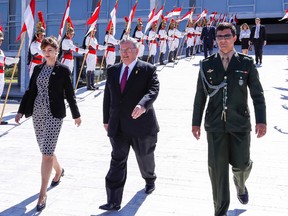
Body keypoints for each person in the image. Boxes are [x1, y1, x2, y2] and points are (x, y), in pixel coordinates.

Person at [191, 22, 266, 216]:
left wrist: (261, 120)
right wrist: (195, 122)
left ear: (235, 38)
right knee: (217, 170)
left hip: (240, 123)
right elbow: (200, 96)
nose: (222, 40)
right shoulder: (207, 64)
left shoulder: (246, 63)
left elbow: (257, 95)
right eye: (219, 37)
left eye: (226, 36)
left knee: (241, 164)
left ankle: (240, 184)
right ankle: (220, 210)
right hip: (215, 124)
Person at [15, 36, 81, 212]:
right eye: (44, 50)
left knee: (46, 154)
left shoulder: (63, 70)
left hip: (54, 114)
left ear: (56, 51)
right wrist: (21, 111)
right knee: (46, 150)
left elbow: (70, 94)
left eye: (50, 50)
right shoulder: (37, 69)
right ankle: (59, 171)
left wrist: (76, 114)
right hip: (37, 113)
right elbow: (31, 91)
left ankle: (42, 193)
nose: (47, 53)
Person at [100, 38, 160, 211]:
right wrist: (106, 119)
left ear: (136, 50)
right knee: (117, 161)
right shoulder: (112, 70)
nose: (124, 53)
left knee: (145, 157)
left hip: (141, 125)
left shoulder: (147, 69)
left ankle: (150, 179)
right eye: (122, 49)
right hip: (118, 126)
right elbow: (108, 97)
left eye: (128, 49)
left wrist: (143, 105)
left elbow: (153, 90)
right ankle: (113, 201)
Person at [0, 26, 19, 124]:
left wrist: (12, 61)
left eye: (1, 40)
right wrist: (13, 60)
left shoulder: (1, 51)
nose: (0, 42)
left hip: (1, 74)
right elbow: (3, 60)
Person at [28, 11, 45, 78]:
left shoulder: (42, 43)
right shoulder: (34, 44)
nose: (42, 36)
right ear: (36, 35)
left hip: (41, 64)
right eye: (40, 35)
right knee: (34, 84)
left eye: (43, 35)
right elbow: (41, 52)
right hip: (35, 65)